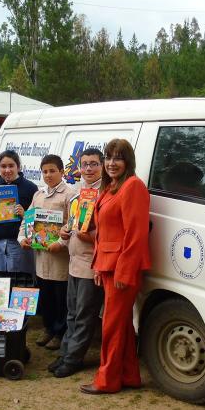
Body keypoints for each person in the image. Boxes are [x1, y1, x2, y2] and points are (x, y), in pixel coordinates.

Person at [80, 139, 151, 395]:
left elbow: (136, 234)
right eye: (108, 157)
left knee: (111, 326)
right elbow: (105, 232)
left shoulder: (133, 186)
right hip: (109, 265)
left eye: (117, 158)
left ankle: (107, 380)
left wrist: (124, 270)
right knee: (121, 325)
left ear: (128, 161)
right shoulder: (111, 187)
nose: (111, 163)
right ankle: (130, 376)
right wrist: (99, 266)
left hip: (122, 268)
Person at [49, 148, 105, 378]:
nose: (88, 169)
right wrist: (65, 232)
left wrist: (89, 236)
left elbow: (110, 234)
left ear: (102, 166)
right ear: (79, 167)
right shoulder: (77, 193)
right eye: (85, 164)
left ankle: (73, 359)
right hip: (74, 261)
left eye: (94, 164)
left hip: (91, 263)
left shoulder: (105, 194)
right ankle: (65, 354)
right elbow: (72, 223)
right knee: (71, 313)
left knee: (84, 315)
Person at [19, 154, 73, 350]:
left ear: (62, 172)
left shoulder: (69, 194)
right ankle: (48, 328)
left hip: (59, 257)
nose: (48, 175)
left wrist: (61, 242)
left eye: (52, 171)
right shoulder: (38, 195)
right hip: (41, 256)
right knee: (46, 296)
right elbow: (27, 219)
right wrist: (22, 238)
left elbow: (73, 223)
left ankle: (60, 332)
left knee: (61, 298)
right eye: (45, 171)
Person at [0, 150, 37, 275]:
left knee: (18, 280)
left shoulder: (31, 188)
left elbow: (37, 220)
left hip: (17, 243)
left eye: (11, 166)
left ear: (18, 167)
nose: (7, 170)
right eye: (3, 166)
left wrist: (25, 214)